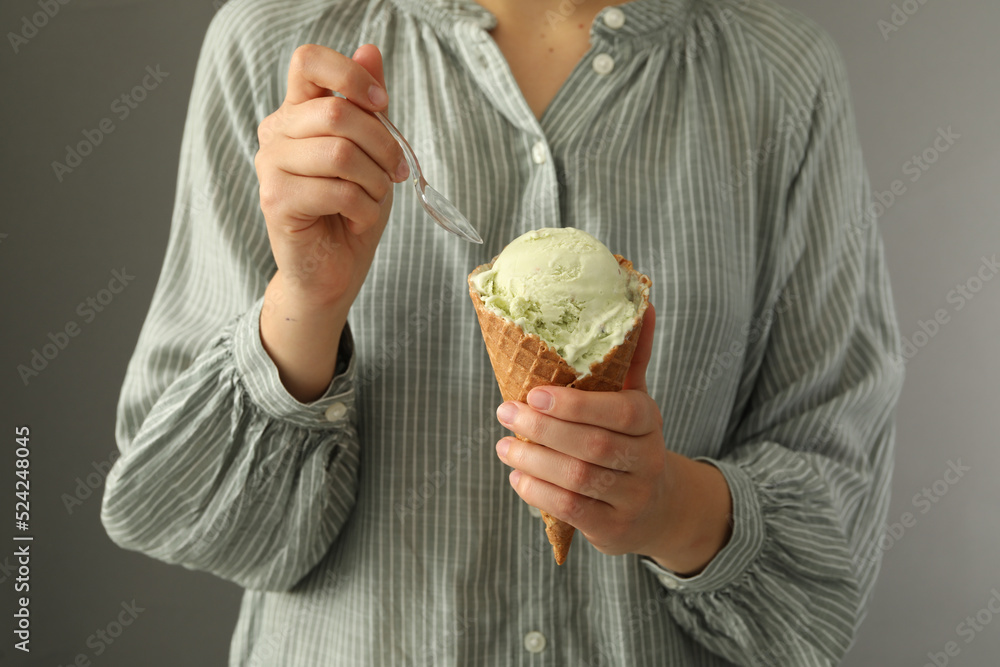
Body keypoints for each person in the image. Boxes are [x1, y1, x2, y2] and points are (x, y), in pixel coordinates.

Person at [101, 0, 904, 664]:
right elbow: (186, 517)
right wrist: (307, 299)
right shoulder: (277, 42)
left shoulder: (782, 73)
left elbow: (828, 571)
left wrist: (669, 507)